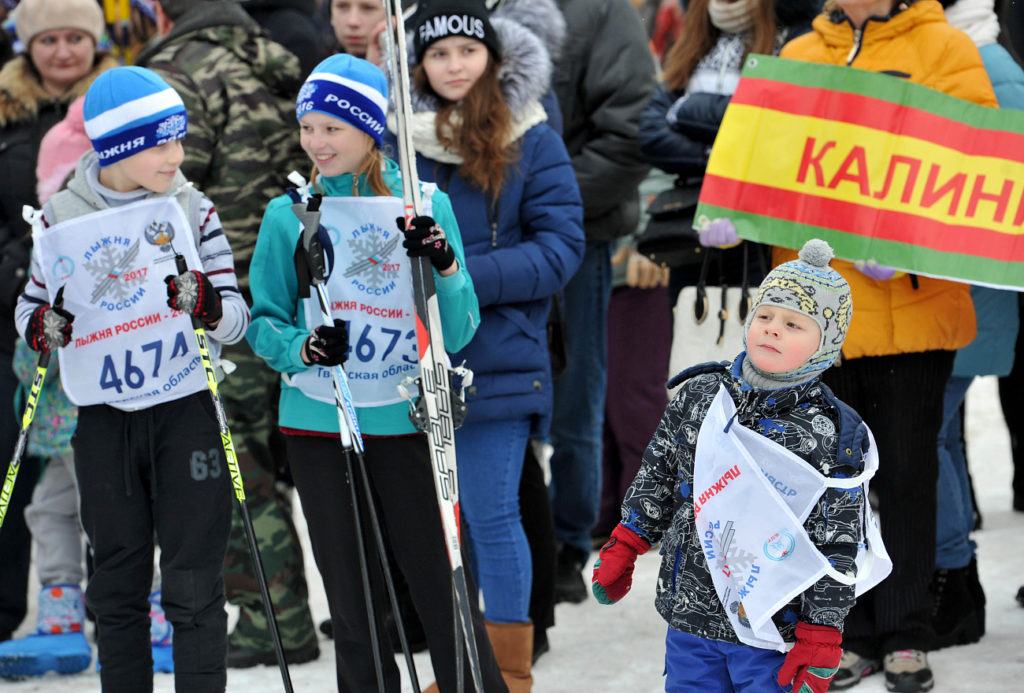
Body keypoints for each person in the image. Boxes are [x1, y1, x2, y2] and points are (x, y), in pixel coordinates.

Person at [247, 52, 507, 692]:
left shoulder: (423, 203)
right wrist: (304, 347)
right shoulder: (290, 214)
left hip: (406, 416)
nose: (316, 142)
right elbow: (264, 321)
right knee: (353, 596)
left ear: (369, 130)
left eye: (332, 128)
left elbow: (461, 329)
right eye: (308, 127)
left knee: (440, 585)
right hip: (319, 420)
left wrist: (445, 266)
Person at [776, 2, 997, 690]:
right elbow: (772, 164)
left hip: (911, 306)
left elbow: (974, 168)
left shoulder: (946, 50)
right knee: (833, 483)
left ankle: (905, 632)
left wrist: (912, 246)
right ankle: (848, 627)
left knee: (905, 476)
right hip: (821, 316)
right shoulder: (797, 57)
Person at [14, 65, 249, 692]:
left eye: (180, 140)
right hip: (105, 420)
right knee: (116, 583)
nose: (178, 156)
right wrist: (43, 326)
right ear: (118, 149)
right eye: (161, 144)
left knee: (193, 582)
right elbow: (30, 305)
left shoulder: (192, 207)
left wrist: (206, 304)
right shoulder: (60, 215)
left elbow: (235, 319)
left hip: (186, 409)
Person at [392, 1, 584, 686]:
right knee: (444, 527)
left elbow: (561, 247)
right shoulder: (398, 143)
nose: (454, 66)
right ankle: (462, 666)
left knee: (493, 515)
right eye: (438, 54)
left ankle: (507, 674)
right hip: (415, 360)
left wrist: (458, 274)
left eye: (467, 51)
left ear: (494, 58)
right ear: (418, 64)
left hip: (499, 355)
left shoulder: (533, 137)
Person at [593, 238, 868, 693]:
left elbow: (837, 541)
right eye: (765, 316)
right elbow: (659, 473)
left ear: (827, 345)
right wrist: (627, 540)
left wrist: (821, 631)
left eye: (793, 324)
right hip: (690, 617)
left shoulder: (830, 435)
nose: (773, 330)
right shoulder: (702, 396)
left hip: (771, 630)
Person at [137, 0, 321, 669]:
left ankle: (275, 620)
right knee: (297, 455)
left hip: (220, 300)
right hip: (294, 289)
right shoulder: (271, 58)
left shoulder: (175, 75)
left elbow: (162, 191)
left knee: (236, 462)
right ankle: (367, 612)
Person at [0, 0, 117, 645]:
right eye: (49, 39)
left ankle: (118, 602)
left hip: (102, 315)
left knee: (106, 473)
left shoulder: (116, 103)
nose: (64, 51)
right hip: (15, 316)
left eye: (77, 37)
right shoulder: (6, 110)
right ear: (28, 45)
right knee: (33, 474)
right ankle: (34, 606)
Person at [548, 0, 656, 606]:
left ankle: (568, 541)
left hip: (576, 234)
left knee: (577, 399)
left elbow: (631, 130)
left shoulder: (602, 11)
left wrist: (548, 202)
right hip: (479, 239)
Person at [930, 0, 1024, 652]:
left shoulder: (988, 66)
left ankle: (952, 579)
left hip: (969, 287)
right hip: (952, 284)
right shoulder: (965, 56)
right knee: (937, 434)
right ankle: (954, 579)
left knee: (930, 433)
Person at [638, 0, 821, 308]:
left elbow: (775, 127)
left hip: (759, 231)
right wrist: (722, 155)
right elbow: (651, 133)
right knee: (691, 330)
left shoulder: (793, 38)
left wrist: (687, 109)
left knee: (756, 331)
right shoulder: (700, 32)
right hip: (691, 223)